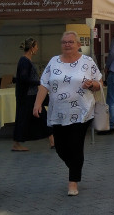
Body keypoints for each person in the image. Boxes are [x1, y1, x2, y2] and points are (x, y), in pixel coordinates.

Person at [33, 32, 102, 196]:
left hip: (81, 111)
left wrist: (92, 83)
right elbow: (44, 84)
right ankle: (75, 166)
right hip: (58, 113)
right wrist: (37, 104)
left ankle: (73, 183)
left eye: (71, 42)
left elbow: (100, 83)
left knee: (76, 145)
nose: (67, 45)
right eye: (64, 42)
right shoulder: (53, 62)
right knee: (60, 148)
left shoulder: (87, 62)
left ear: (78, 45)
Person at [12, 38, 43, 151]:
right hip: (27, 95)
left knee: (29, 117)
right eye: (36, 46)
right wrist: (39, 82)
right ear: (31, 48)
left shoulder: (26, 60)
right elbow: (24, 78)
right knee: (24, 118)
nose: (37, 48)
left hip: (30, 94)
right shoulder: (24, 61)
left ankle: (52, 140)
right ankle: (16, 143)